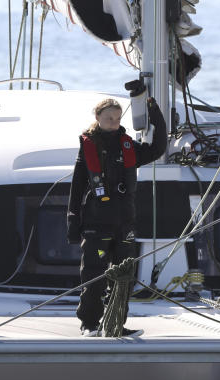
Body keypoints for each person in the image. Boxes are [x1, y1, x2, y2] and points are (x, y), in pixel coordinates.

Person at [67, 85, 167, 337]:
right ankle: (89, 324)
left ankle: (115, 324)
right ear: (98, 118)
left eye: (117, 118)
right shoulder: (88, 146)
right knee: (94, 276)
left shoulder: (128, 146)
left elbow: (157, 149)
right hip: (97, 225)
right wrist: (72, 220)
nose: (113, 122)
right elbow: (77, 186)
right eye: (108, 118)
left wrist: (152, 109)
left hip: (125, 224)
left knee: (123, 278)